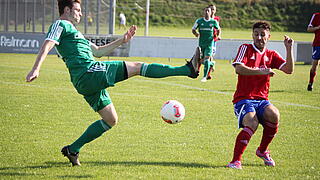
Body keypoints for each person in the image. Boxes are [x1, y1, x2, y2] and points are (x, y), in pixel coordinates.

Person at [26, 0, 200, 166]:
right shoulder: (60, 25)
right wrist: (36, 68)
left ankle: (72, 149)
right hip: (89, 72)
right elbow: (48, 44)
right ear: (67, 10)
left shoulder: (76, 33)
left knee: (110, 120)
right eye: (77, 10)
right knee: (138, 67)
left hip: (85, 80)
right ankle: (187, 70)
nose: (81, 13)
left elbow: (99, 52)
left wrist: (122, 40)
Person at [226, 21, 294, 169]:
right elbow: (239, 68)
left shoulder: (271, 55)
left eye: (262, 34)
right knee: (252, 122)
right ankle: (235, 161)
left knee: (274, 114)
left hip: (262, 100)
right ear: (252, 35)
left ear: (268, 36)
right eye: (256, 34)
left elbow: (289, 69)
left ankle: (262, 151)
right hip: (243, 99)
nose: (259, 37)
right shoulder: (245, 48)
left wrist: (289, 49)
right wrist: (261, 71)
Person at [192, 7, 221, 82]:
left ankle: (204, 77)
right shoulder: (199, 21)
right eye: (205, 11)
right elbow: (193, 29)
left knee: (207, 59)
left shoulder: (213, 22)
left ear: (211, 12)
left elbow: (218, 29)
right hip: (201, 44)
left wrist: (217, 36)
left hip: (209, 44)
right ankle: (212, 64)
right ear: (203, 12)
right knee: (201, 60)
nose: (206, 12)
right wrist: (196, 34)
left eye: (208, 11)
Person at [207, 4, 222, 80]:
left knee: (210, 56)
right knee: (206, 57)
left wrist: (219, 36)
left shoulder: (216, 19)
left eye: (214, 9)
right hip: (206, 40)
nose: (212, 11)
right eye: (211, 9)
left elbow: (219, 28)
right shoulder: (205, 19)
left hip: (213, 40)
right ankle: (212, 64)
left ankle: (208, 73)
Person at [307, 12, 320, 91]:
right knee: (314, 66)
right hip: (318, 45)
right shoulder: (316, 15)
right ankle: (311, 83)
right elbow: (309, 29)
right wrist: (318, 27)